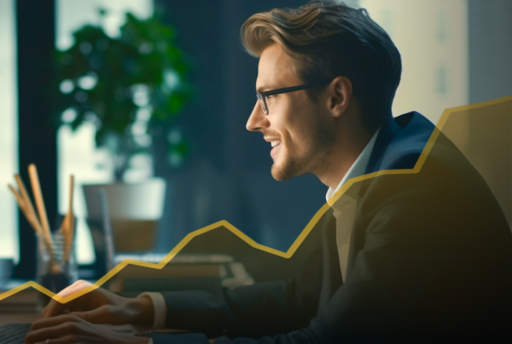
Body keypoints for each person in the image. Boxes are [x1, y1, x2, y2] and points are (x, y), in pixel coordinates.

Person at [25, 1, 512, 343]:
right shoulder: (378, 171)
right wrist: (142, 308)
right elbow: (296, 299)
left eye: (268, 98)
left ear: (336, 97)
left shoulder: (412, 192)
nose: (253, 121)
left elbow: (321, 341)